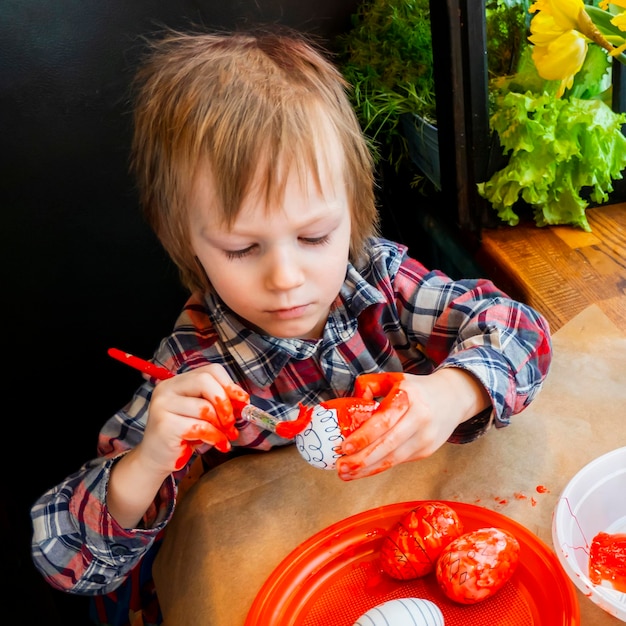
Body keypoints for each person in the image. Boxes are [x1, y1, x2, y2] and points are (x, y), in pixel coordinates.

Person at [30, 26, 552, 626]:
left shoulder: (380, 283)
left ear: (352, 214)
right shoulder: (193, 365)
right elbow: (59, 557)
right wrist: (148, 460)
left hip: (440, 515)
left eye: (314, 237)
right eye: (241, 248)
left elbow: (519, 329)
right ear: (189, 243)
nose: (286, 277)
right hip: (282, 582)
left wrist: (453, 392)